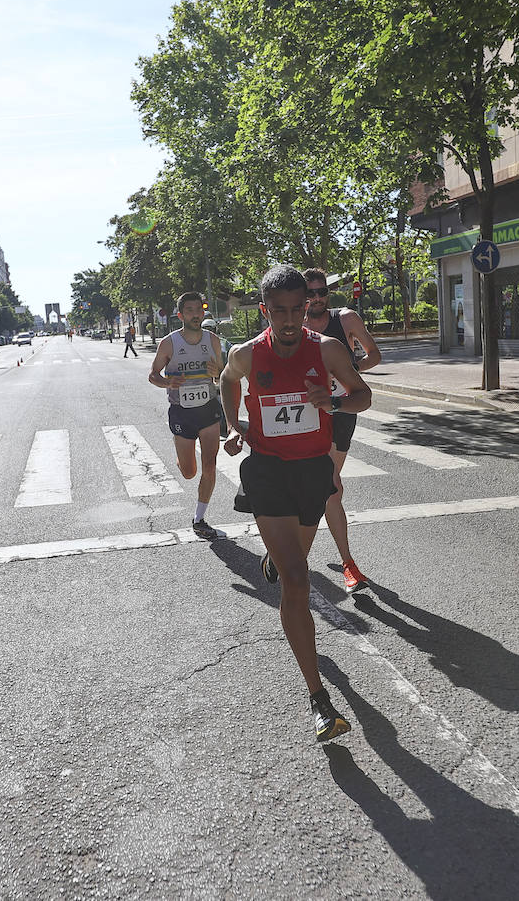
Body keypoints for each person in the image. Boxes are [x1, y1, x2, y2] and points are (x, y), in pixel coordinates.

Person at [221, 264, 372, 741]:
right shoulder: (246, 354)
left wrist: (332, 404)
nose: (289, 320)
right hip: (267, 472)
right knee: (297, 579)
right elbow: (227, 380)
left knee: (295, 564)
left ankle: (276, 556)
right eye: (279, 311)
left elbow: (362, 395)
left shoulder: (325, 349)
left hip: (312, 473)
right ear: (265, 310)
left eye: (297, 310)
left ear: (307, 307)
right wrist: (231, 426)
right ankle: (319, 698)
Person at [301, 267, 382, 593]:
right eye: (311, 293)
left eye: (323, 292)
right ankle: (290, 550)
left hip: (342, 410)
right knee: (315, 486)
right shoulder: (294, 325)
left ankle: (348, 565)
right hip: (306, 414)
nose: (318, 298)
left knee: (330, 486)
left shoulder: (346, 319)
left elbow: (374, 354)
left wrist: (350, 369)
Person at [150, 292, 226, 541]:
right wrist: (168, 382)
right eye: (190, 310)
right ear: (181, 315)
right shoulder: (169, 343)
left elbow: (223, 377)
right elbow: (153, 375)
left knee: (210, 465)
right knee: (189, 472)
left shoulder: (213, 341)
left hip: (208, 409)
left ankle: (199, 518)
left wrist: (218, 373)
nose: (196, 314)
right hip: (181, 412)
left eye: (199, 309)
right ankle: (182, 459)